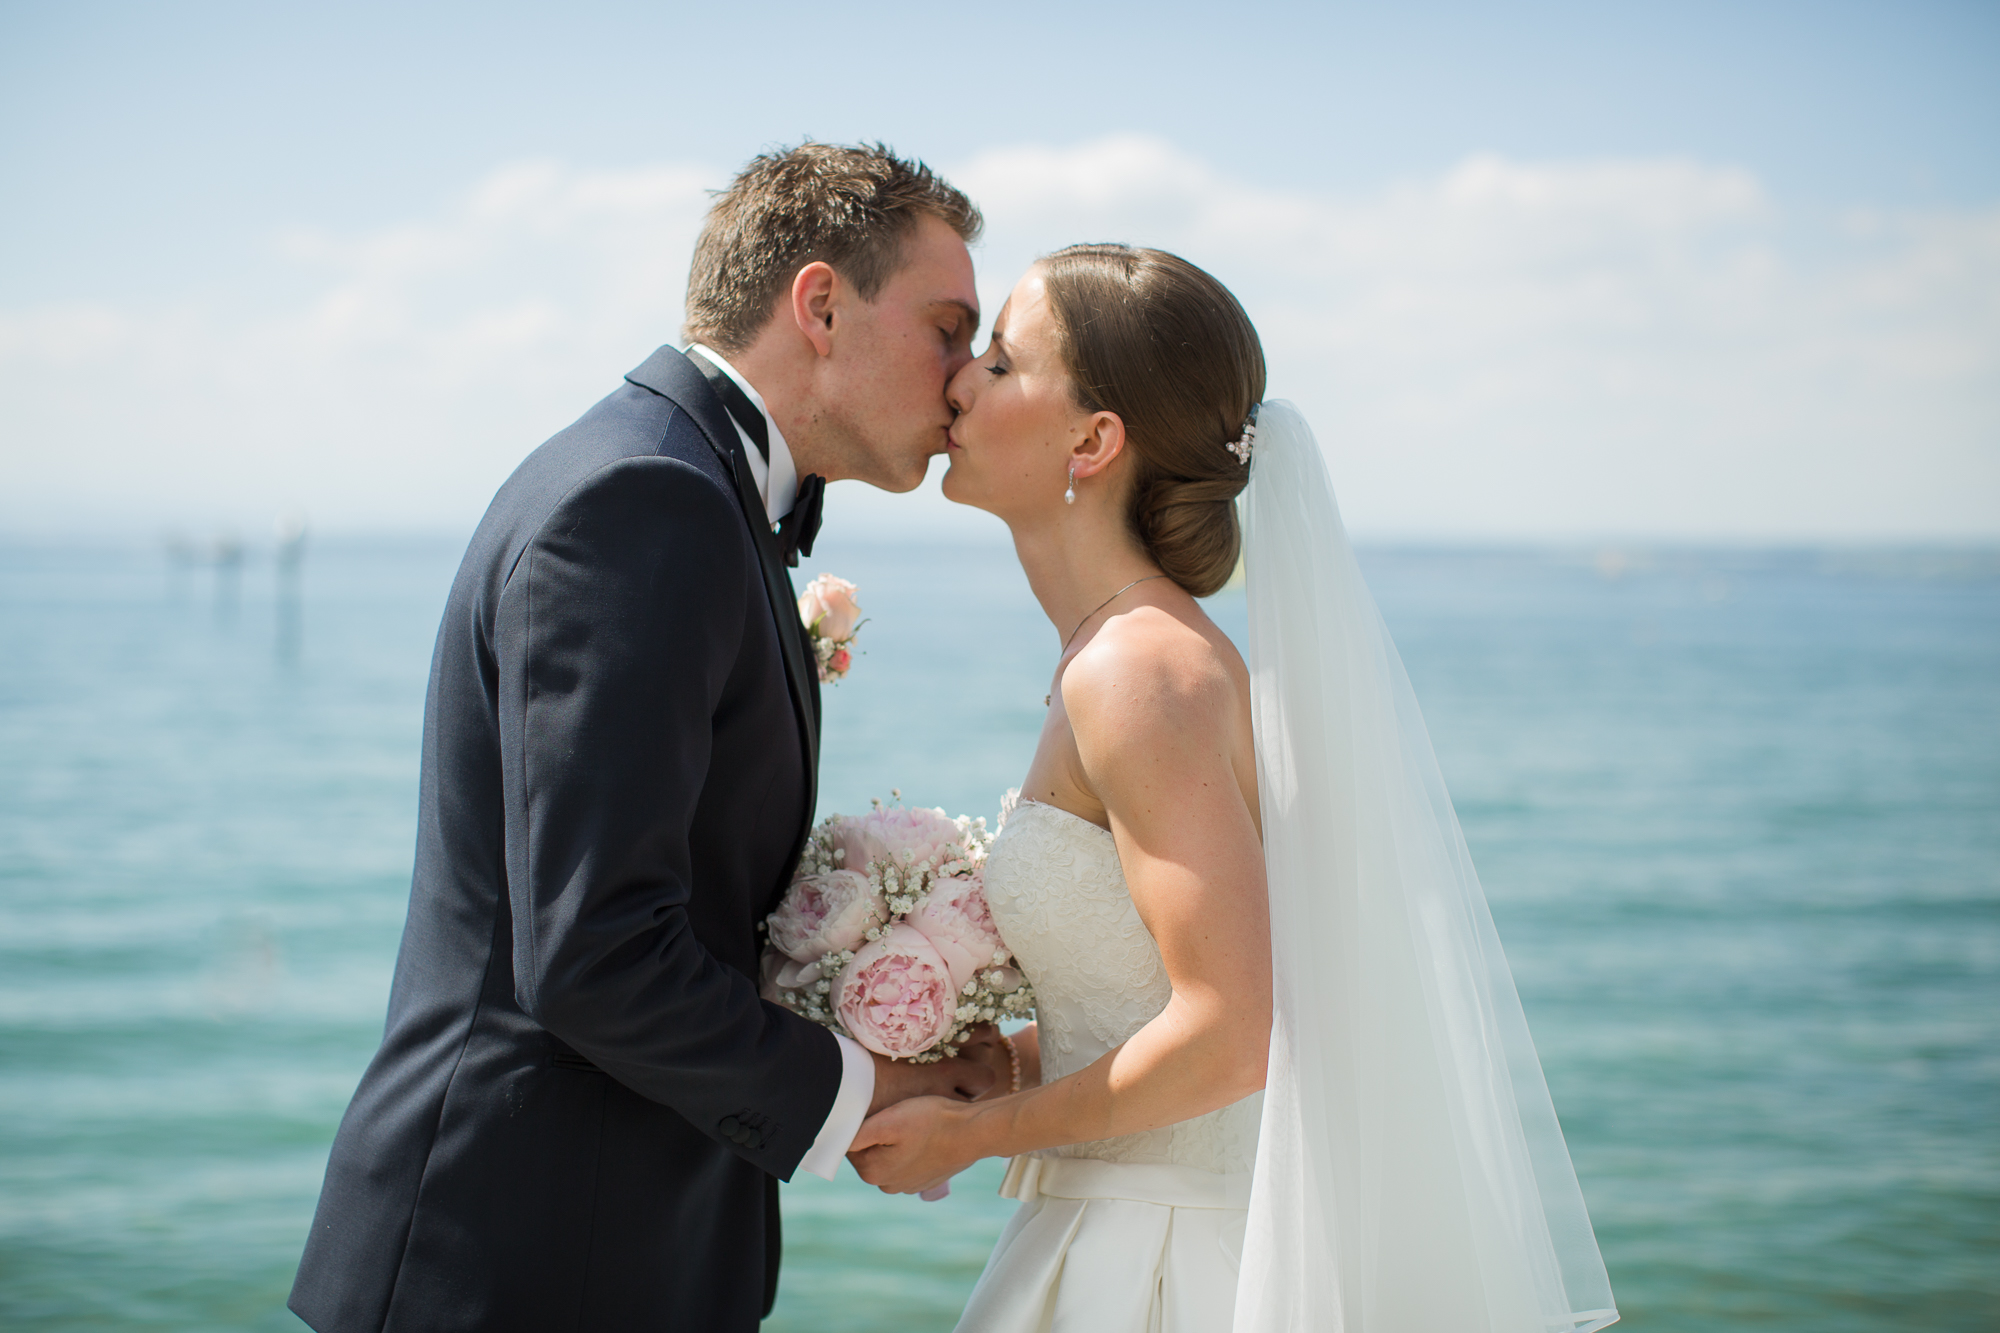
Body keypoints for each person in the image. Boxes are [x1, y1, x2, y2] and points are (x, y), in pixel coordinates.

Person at [288, 143, 999, 1333]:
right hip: (516, 1267)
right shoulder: (643, 501)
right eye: (947, 328)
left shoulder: (692, 487)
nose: (965, 379)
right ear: (819, 305)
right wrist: (880, 1085)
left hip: (594, 1252)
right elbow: (596, 951)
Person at [849, 245, 1620, 1332]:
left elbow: (1230, 1032)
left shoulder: (1135, 673)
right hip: (1119, 1220)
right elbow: (1179, 994)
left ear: (1091, 439)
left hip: (1162, 1262)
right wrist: (1003, 1065)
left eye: (1000, 360)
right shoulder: (1117, 657)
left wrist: (974, 1136)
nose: (958, 379)